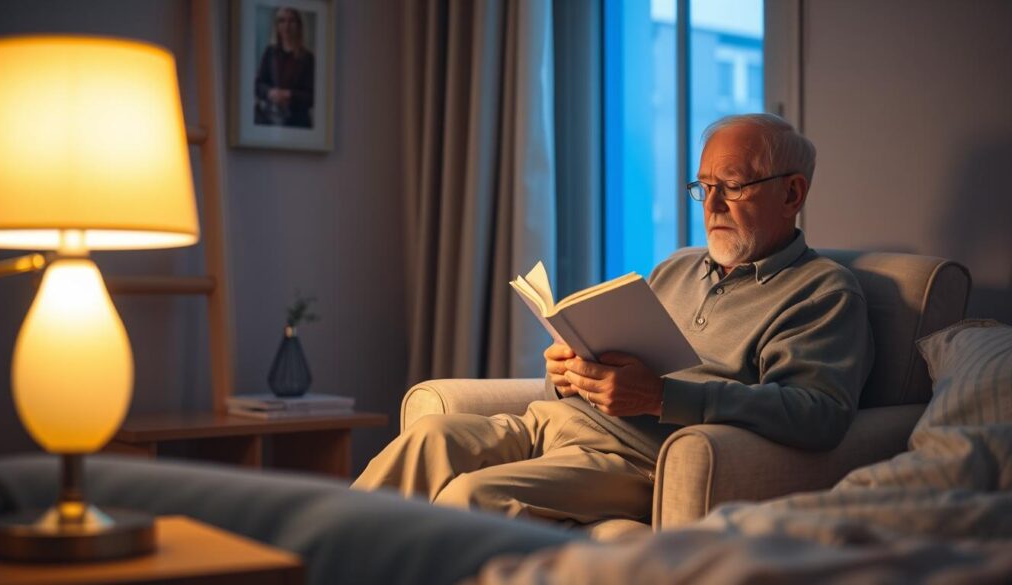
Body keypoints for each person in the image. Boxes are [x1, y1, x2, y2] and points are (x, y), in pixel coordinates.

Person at [352, 114, 874, 526]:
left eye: (732, 186)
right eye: (703, 186)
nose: (711, 203)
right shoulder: (678, 266)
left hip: (634, 458)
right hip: (555, 423)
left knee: (471, 496)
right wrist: (573, 371)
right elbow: (629, 359)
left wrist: (661, 398)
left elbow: (817, 413)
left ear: (792, 194)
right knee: (429, 438)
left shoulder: (822, 291)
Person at [254, 7, 315, 128]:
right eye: (282, 21)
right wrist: (270, 93)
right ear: (276, 26)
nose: (286, 26)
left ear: (299, 25)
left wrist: (289, 95)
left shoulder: (308, 58)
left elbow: (312, 97)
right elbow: (258, 85)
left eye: (291, 21)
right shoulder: (270, 52)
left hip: (297, 123)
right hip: (268, 120)